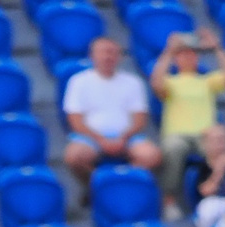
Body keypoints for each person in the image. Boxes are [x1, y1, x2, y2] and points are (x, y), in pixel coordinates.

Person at [62, 37, 162, 189]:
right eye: (103, 52)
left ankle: (122, 186)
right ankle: (95, 188)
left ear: (119, 56)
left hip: (127, 138)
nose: (107, 57)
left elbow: (140, 119)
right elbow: (75, 121)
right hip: (91, 138)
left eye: (112, 53)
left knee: (151, 156)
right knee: (74, 157)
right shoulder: (78, 81)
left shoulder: (133, 82)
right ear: (92, 55)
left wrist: (123, 138)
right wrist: (101, 139)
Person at [149, 31, 225, 202]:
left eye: (192, 54)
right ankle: (169, 198)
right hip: (178, 135)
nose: (188, 57)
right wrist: (169, 51)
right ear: (176, 59)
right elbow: (156, 84)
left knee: (221, 149)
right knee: (173, 148)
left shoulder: (206, 81)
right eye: (183, 54)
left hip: (205, 136)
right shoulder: (171, 82)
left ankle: (224, 195)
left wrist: (217, 47)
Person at [186, 123, 225, 220]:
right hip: (209, 205)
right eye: (218, 140)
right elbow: (205, 192)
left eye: (224, 140)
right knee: (210, 209)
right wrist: (218, 171)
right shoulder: (199, 166)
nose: (222, 144)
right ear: (206, 144)